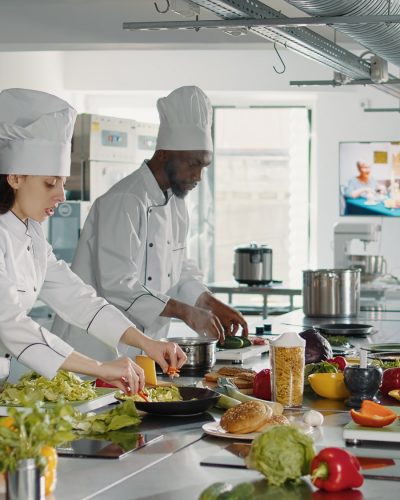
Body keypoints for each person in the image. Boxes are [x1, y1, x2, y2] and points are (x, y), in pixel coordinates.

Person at [0, 88, 186, 394]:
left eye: (62, 182)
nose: (61, 195)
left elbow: (77, 298)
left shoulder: (30, 231)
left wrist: (146, 342)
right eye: (50, 183)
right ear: (15, 178)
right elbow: (11, 324)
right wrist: (100, 368)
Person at [53, 86, 248, 362]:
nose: (198, 176)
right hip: (93, 350)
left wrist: (210, 303)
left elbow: (179, 270)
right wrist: (185, 312)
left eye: (204, 166)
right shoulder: (124, 200)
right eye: (193, 164)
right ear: (165, 153)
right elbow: (117, 284)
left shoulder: (177, 203)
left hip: (143, 350)